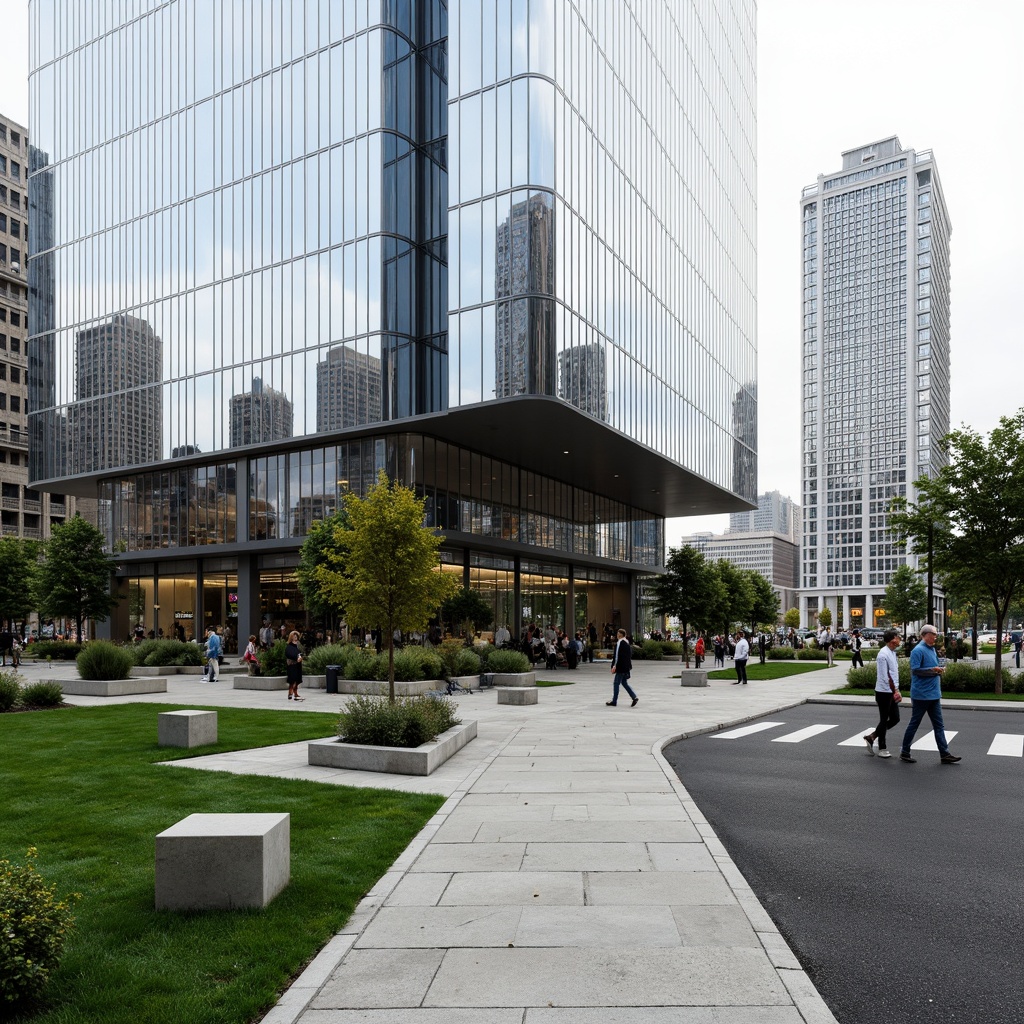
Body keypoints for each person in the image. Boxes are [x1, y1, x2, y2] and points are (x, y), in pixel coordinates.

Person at [899, 624, 961, 764]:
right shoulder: (918, 650)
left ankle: (945, 754)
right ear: (926, 635)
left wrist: (938, 669)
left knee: (939, 726)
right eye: (933, 634)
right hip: (921, 695)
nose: (935, 637)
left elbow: (930, 668)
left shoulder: (932, 650)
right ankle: (905, 751)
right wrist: (934, 670)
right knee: (914, 724)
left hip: (934, 694)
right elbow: (915, 670)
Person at [862, 629, 901, 757]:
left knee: (895, 718)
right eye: (897, 637)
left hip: (890, 690)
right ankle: (882, 748)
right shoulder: (883, 654)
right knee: (884, 719)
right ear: (891, 640)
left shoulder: (892, 653)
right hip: (884, 692)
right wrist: (895, 691)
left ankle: (872, 736)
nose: (899, 639)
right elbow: (885, 676)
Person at [607, 628, 638, 707]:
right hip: (626, 666)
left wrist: (614, 666)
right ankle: (634, 697)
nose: (617, 635)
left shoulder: (620, 643)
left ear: (621, 635)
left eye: (618, 634)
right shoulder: (627, 643)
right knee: (624, 683)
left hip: (620, 667)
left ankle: (614, 701)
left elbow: (617, 656)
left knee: (616, 683)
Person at [285, 630, 305, 701]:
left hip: (298, 664)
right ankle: (290, 693)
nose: (295, 637)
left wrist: (301, 657)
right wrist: (296, 658)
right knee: (292, 680)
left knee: (297, 680)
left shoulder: (299, 644)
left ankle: (295, 693)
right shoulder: (289, 646)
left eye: (296, 636)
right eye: (294, 636)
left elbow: (302, 652)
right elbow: (288, 654)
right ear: (291, 637)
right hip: (291, 665)